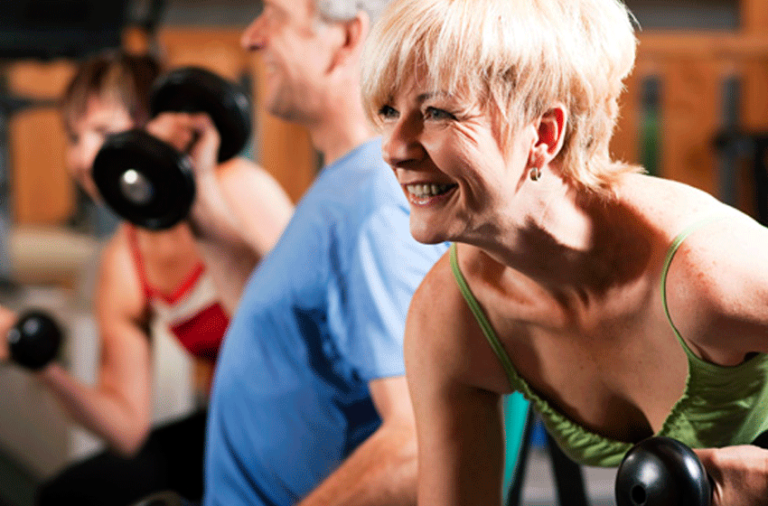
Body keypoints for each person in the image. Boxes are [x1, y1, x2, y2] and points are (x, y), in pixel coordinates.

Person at [359, 0, 768, 505]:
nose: (394, 148)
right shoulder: (452, 316)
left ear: (544, 134)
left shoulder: (712, 276)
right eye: (389, 112)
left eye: (437, 112)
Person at [142, 1, 451, 504]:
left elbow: (418, 445)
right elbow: (282, 332)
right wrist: (196, 197)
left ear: (347, 40)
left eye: (276, 17)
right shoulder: (342, 184)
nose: (251, 37)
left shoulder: (376, 203)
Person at [0, 50, 294, 506]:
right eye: (73, 136)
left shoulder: (237, 187)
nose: (80, 157)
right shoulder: (123, 259)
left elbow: (304, 337)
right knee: (66, 495)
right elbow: (126, 429)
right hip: (230, 422)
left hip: (311, 414)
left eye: (103, 132)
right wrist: (41, 364)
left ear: (160, 127)